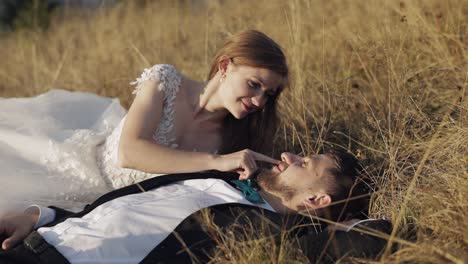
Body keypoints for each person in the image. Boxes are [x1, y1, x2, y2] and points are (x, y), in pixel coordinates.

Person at [0, 29, 288, 213]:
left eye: (269, 94)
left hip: (121, 212)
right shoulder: (166, 82)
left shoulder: (234, 139)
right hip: (80, 172)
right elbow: (129, 152)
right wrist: (214, 162)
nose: (260, 101)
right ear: (225, 66)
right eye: (254, 85)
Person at [0, 149, 384, 263]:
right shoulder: (218, 177)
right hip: (31, 238)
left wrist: (346, 227)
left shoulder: (263, 238)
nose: (288, 155)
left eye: (304, 163)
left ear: (316, 200)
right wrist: (39, 214)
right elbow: (109, 209)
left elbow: (370, 239)